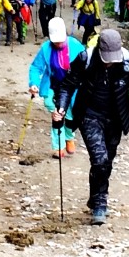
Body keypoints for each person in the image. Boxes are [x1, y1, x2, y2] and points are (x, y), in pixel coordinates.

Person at [68, 25, 129, 223]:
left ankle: (94, 196)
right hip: (90, 115)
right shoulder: (85, 59)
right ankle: (100, 204)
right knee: (99, 159)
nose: (109, 64)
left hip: (116, 119)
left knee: (106, 162)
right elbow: (67, 84)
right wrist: (61, 107)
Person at [28, 15, 84, 156]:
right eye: (55, 42)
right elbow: (36, 67)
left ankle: (69, 137)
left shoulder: (76, 46)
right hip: (53, 85)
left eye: (61, 41)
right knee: (56, 111)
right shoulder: (46, 48)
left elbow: (87, 67)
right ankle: (58, 145)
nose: (58, 44)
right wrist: (34, 83)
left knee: (70, 115)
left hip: (72, 87)